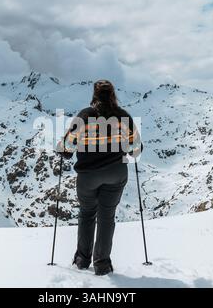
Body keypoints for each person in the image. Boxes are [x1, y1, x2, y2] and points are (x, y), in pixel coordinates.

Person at [56, 80, 142, 276]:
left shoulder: (84, 116)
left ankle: (82, 260)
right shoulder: (123, 117)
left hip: (88, 176)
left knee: (87, 213)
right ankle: (102, 263)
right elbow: (135, 149)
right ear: (113, 95)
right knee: (107, 216)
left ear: (95, 95)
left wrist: (63, 149)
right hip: (116, 173)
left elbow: (67, 147)